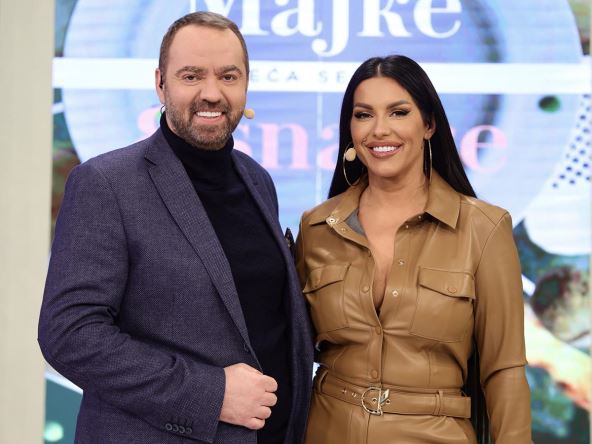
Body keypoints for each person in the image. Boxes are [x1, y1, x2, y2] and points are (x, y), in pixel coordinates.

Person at [38, 11, 313, 444]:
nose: (212, 93)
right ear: (160, 84)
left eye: (228, 76)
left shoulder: (257, 179)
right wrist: (211, 394)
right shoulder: (106, 183)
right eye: (191, 76)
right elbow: (70, 335)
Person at [295, 55, 532, 443]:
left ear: (429, 124)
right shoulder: (317, 226)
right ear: (350, 129)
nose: (379, 130)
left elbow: (503, 369)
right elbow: (290, 352)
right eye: (363, 115)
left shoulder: (484, 228)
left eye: (398, 112)